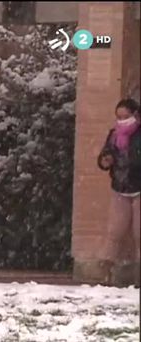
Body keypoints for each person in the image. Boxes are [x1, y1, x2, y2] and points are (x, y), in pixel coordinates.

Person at [97, 98, 141, 286]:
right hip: (120, 187)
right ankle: (106, 272)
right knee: (115, 231)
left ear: (135, 115)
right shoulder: (114, 135)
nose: (122, 120)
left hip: (138, 187)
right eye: (119, 117)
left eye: (126, 116)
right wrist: (105, 161)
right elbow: (104, 156)